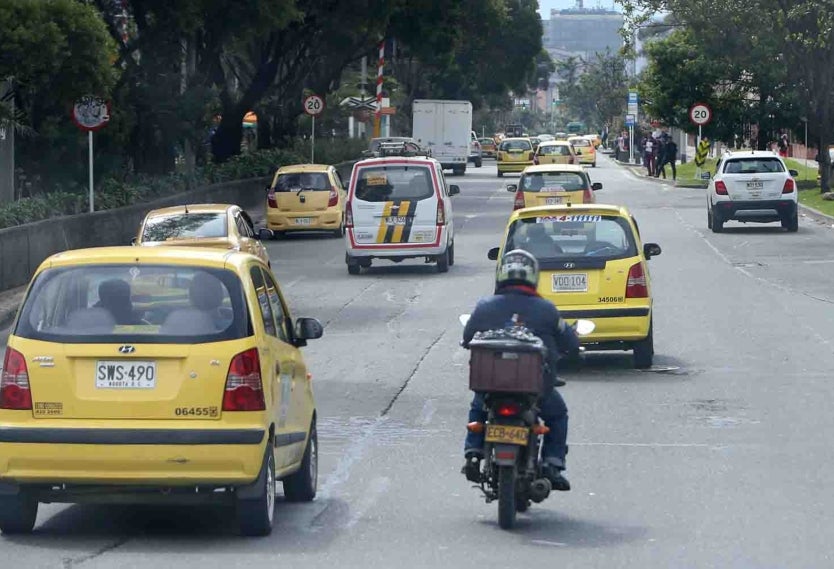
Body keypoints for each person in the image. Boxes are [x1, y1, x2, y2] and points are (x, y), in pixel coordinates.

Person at [461, 250, 580, 491]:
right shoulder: (547, 309)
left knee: (478, 407)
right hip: (536, 388)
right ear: (534, 277)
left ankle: (473, 452)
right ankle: (552, 463)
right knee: (557, 416)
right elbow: (570, 342)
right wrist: (574, 351)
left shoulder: (485, 306)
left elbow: (467, 337)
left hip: (490, 385)